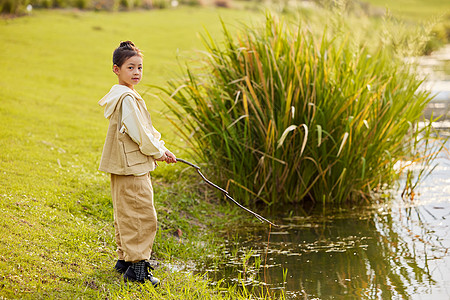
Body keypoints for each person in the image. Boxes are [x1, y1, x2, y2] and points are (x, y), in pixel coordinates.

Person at [98, 41, 176, 286]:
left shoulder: (124, 96)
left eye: (140, 68)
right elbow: (140, 135)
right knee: (142, 216)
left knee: (126, 212)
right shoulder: (128, 99)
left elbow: (146, 130)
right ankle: (138, 270)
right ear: (116, 69)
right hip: (133, 167)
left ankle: (125, 261)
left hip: (124, 166)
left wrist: (162, 148)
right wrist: (156, 153)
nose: (136, 72)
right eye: (130, 67)